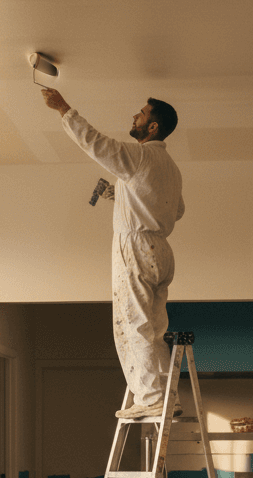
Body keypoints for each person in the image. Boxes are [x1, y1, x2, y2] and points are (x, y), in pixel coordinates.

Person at [41, 88, 184, 419]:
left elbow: (94, 143)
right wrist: (120, 197)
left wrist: (63, 108)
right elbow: (174, 210)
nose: (135, 117)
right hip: (161, 250)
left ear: (152, 128)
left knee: (135, 324)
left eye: (142, 114)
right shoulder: (170, 168)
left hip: (135, 247)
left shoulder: (140, 157)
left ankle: (151, 397)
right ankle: (164, 397)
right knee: (153, 327)